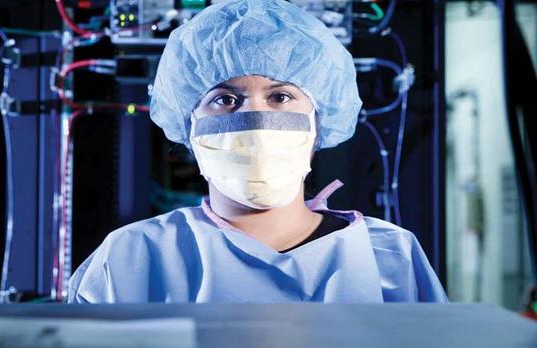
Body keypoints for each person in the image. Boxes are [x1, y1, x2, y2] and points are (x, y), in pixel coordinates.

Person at [68, 0, 448, 303]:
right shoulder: (132, 259)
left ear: (319, 124)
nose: (255, 118)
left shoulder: (390, 258)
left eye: (280, 96)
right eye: (226, 99)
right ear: (189, 127)